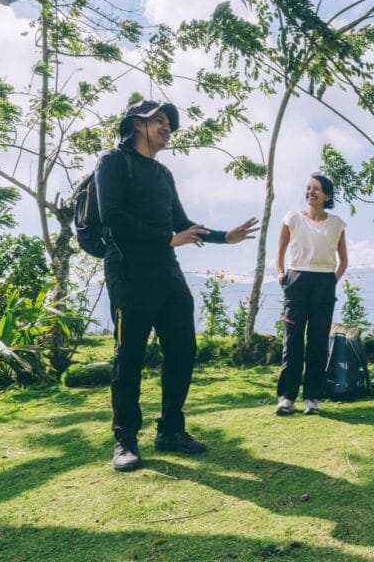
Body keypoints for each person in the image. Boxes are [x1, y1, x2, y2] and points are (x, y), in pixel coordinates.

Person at [96, 100, 259, 472]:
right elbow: (113, 217)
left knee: (184, 349)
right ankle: (125, 440)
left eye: (169, 124)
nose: (167, 128)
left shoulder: (163, 174)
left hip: (166, 272)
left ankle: (170, 429)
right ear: (137, 124)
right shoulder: (113, 163)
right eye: (160, 122)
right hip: (128, 272)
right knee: (130, 356)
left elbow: (182, 223)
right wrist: (166, 241)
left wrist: (224, 237)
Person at [274, 173, 348, 415]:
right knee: (292, 339)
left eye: (316, 189)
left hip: (324, 282)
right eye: (308, 188)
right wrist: (281, 272)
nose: (311, 193)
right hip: (296, 280)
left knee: (317, 342)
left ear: (327, 195)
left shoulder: (337, 223)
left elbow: (344, 260)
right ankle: (286, 397)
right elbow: (281, 250)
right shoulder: (293, 218)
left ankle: (312, 398)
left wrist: (331, 280)